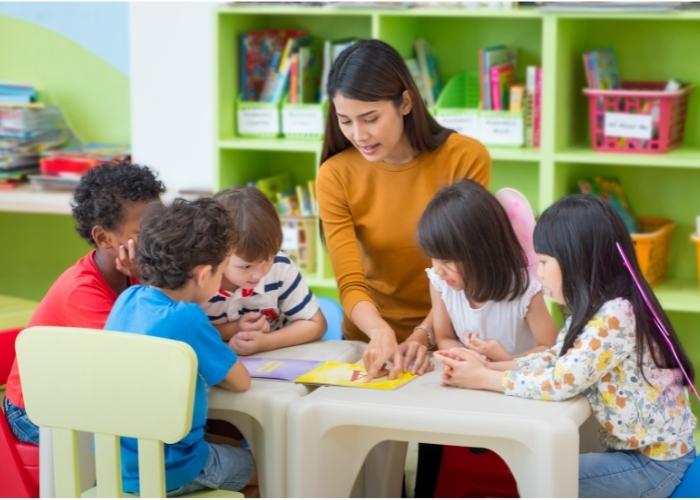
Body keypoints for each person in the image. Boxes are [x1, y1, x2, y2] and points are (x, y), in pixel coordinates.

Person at [436, 194, 697, 497]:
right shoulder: (594, 310)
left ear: (577, 260)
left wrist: (484, 379)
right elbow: (558, 359)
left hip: (656, 466)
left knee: (544, 476)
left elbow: (563, 380)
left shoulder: (615, 315)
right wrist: (496, 364)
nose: (539, 272)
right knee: (542, 469)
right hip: (637, 457)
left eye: (544, 261)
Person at [316, 39, 491, 381]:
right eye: (345, 121)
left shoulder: (465, 158)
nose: (358, 134)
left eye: (370, 118)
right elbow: (350, 282)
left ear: (405, 103)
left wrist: (423, 333)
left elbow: (465, 268)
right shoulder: (335, 174)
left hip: (452, 336)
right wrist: (381, 333)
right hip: (369, 340)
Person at [3, 162, 165, 445]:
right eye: (143, 233)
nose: (158, 240)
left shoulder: (135, 275)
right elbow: (143, 357)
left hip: (82, 395)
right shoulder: (82, 292)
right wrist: (149, 281)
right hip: (34, 412)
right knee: (148, 438)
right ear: (104, 238)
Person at [105, 198, 258, 496]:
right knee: (268, 467)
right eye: (222, 270)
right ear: (203, 275)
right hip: (172, 469)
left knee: (227, 446)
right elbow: (240, 382)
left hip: (118, 464)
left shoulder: (130, 297)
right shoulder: (187, 317)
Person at [417, 180, 557, 361]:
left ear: (482, 251)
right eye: (433, 257)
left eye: (447, 260)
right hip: (474, 382)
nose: (438, 270)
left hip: (514, 382)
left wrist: (503, 359)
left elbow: (549, 348)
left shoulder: (525, 291)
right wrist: (469, 356)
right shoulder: (440, 285)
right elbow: (444, 338)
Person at [203, 186, 326, 355]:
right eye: (246, 266)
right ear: (216, 253)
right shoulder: (200, 279)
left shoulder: (280, 266)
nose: (259, 274)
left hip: (274, 360)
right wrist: (233, 329)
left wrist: (266, 342)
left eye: (268, 259)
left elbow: (316, 324)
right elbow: (184, 332)